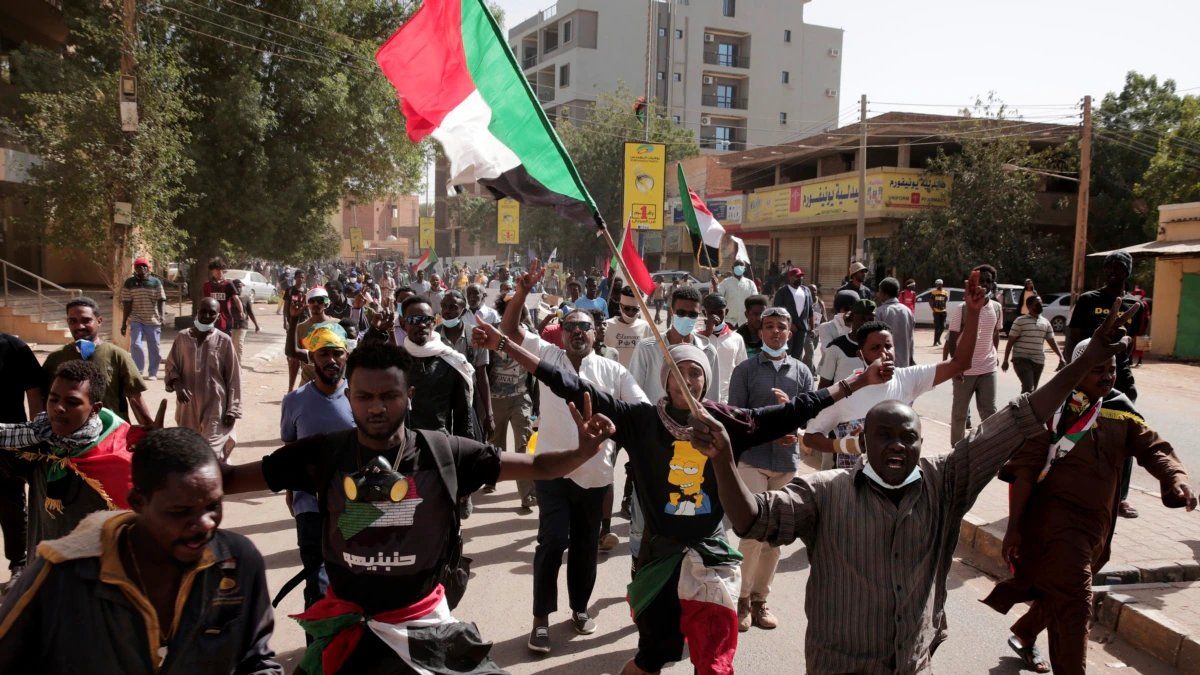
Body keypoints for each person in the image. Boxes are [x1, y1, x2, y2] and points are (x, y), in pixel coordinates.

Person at [703, 283, 1136, 674]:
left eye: (906, 437)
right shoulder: (826, 493)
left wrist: (1089, 360)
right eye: (883, 437)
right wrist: (723, 457)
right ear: (863, 443)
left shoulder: (944, 482)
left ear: (921, 440)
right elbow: (753, 519)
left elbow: (1021, 416)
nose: (895, 446)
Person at [473, 311, 887, 675]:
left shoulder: (728, 423)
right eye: (679, 372)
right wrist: (506, 344)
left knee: (714, 658)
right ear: (665, 378)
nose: (686, 380)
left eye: (695, 373)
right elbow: (565, 382)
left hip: (711, 560)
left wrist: (857, 382)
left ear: (705, 381)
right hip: (657, 560)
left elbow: (797, 409)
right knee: (653, 655)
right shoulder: (639, 420)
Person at [219, 342, 615, 674]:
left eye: (388, 395)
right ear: (350, 397)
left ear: (409, 397)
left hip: (425, 628)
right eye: (364, 397)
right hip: (347, 630)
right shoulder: (323, 454)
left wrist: (582, 451)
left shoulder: (445, 452)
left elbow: (540, 466)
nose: (376, 407)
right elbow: (231, 480)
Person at [984, 331, 1195, 675]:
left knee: (1065, 589)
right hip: (1054, 530)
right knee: (1075, 607)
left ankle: (1025, 631)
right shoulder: (1051, 409)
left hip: (1097, 532)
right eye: (1098, 369)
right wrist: (1014, 529)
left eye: (1111, 368)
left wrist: (1176, 479)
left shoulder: (1120, 409)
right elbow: (1024, 473)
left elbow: (1153, 448)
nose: (1108, 376)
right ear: (1076, 369)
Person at [0, 427, 281, 674]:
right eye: (180, 511)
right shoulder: (65, 573)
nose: (204, 524)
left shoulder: (238, 561)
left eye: (213, 506)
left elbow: (257, 660)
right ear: (137, 501)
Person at [495, 269, 648, 654]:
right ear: (560, 333)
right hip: (552, 471)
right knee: (551, 543)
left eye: (585, 327)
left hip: (595, 476)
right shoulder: (547, 356)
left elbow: (640, 410)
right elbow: (509, 332)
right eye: (571, 327)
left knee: (584, 547)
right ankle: (541, 620)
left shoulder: (613, 371)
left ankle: (579, 609)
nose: (578, 332)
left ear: (597, 334)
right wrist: (522, 292)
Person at [806, 274, 989, 474]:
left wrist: (973, 313)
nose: (884, 353)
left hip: (899, 484)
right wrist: (846, 445)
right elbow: (810, 437)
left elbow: (960, 363)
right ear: (861, 355)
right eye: (875, 348)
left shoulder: (907, 378)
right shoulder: (845, 390)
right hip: (854, 489)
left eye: (888, 346)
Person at [0, 361, 154, 550]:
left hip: (93, 572)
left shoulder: (119, 457)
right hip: (43, 566)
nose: (59, 408)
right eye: (53, 399)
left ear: (95, 409)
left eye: (72, 402)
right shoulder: (37, 442)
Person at [726, 305, 814, 632]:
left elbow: (808, 416)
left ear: (790, 332)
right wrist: (769, 425)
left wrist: (795, 428)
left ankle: (762, 600)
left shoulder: (802, 373)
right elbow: (735, 416)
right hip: (753, 460)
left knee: (775, 537)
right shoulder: (746, 370)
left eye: (782, 326)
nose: (776, 332)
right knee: (751, 534)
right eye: (769, 326)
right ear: (760, 332)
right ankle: (741, 600)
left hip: (786, 465)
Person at [280, 325, 355, 609]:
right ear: (312, 357)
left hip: (355, 507)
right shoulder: (294, 401)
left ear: (346, 356)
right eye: (324, 353)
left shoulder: (359, 397)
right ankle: (320, 648)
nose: (331, 360)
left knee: (352, 578)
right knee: (318, 584)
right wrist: (290, 488)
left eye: (337, 353)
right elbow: (290, 448)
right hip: (309, 505)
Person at [1066, 251, 1144, 518]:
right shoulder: (1089, 300)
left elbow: (1133, 340)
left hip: (1121, 379)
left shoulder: (1137, 305)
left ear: (1127, 272)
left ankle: (1120, 497)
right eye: (1108, 267)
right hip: (1086, 377)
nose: (1113, 272)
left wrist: (1125, 347)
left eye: (1119, 268)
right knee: (1079, 430)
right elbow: (1072, 340)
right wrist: (1071, 376)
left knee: (1126, 434)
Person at [42, 297, 154, 426]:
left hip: (109, 434)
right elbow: (45, 399)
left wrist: (151, 430)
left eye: (86, 320)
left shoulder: (117, 355)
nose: (79, 326)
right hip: (68, 435)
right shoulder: (55, 358)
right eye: (73, 321)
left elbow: (135, 398)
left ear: (99, 321)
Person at [164, 298, 241, 459]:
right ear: (197, 312)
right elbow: (171, 366)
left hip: (215, 406)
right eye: (203, 311)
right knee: (188, 451)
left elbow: (234, 377)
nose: (206, 315)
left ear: (218, 316)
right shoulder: (182, 338)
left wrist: (232, 410)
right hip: (187, 407)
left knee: (212, 454)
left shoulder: (224, 341)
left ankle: (217, 482)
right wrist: (177, 384)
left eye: (212, 313)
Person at [399, 296, 478, 442]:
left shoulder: (451, 362)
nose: (421, 325)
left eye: (426, 320)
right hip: (402, 446)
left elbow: (464, 417)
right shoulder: (395, 361)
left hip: (439, 445)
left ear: (434, 323)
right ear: (403, 324)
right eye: (414, 320)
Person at [484, 291, 536, 508]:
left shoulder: (530, 333)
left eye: (519, 305)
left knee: (524, 443)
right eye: (510, 306)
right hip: (496, 398)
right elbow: (484, 368)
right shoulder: (491, 331)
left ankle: (527, 494)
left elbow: (538, 369)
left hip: (520, 397)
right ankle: (491, 478)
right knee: (496, 444)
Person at [0, 333, 44, 588]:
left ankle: (19, 564)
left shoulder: (14, 347)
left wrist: (36, 435)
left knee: (12, 504)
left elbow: (34, 393)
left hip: (12, 441)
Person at [946, 265, 1003, 445]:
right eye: (981, 281)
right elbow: (952, 339)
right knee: (959, 414)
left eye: (988, 281)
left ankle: (987, 448)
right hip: (964, 371)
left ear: (992, 284)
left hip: (988, 368)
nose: (984, 285)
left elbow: (995, 334)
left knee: (989, 412)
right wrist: (956, 366)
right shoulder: (962, 308)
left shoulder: (997, 308)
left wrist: (996, 353)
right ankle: (957, 452)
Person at [1002, 295, 1065, 393]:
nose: (1040, 305)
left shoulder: (1045, 322)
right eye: (1037, 303)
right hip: (1021, 359)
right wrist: (1005, 360)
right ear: (1029, 306)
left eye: (1041, 302)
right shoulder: (1020, 321)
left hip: (1039, 361)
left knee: (1033, 391)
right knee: (1028, 388)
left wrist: (1061, 357)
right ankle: (1021, 407)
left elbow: (1051, 340)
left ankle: (1022, 407)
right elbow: (1010, 342)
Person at [120, 257, 167, 380]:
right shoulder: (129, 283)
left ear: (148, 268)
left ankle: (153, 372)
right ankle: (138, 371)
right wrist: (124, 323)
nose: (141, 268)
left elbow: (161, 300)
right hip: (136, 318)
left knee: (154, 347)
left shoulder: (156, 282)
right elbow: (127, 304)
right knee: (136, 344)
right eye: (138, 266)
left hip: (153, 319)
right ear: (135, 268)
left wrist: (162, 316)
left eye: (143, 266)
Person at [817, 299, 876, 388]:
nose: (866, 323)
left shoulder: (880, 346)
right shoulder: (836, 347)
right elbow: (824, 385)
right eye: (862, 318)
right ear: (852, 317)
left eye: (871, 319)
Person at [700, 293, 748, 403]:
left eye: (720, 312)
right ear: (704, 313)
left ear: (726, 312)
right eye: (712, 313)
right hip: (702, 397)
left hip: (727, 398)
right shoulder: (696, 337)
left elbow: (742, 368)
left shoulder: (736, 338)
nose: (715, 316)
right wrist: (707, 333)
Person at [771, 267, 813, 361]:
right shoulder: (782, 292)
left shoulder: (806, 291)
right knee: (786, 353)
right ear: (790, 278)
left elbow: (810, 310)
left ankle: (795, 374)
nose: (800, 278)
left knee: (798, 356)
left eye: (801, 276)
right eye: (797, 276)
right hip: (786, 329)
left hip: (802, 329)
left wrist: (812, 327)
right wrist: (789, 324)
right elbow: (778, 311)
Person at [603, 287, 652, 367]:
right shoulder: (607, 326)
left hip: (637, 377)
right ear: (620, 306)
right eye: (627, 308)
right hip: (614, 376)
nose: (630, 312)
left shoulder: (646, 327)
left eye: (635, 309)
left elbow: (650, 354)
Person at [874, 277, 916, 367]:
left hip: (886, 365)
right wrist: (911, 357)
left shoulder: (881, 311)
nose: (878, 294)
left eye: (879, 291)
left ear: (884, 294)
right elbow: (911, 338)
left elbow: (876, 339)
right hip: (905, 363)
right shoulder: (907, 311)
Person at [200, 257, 244, 335]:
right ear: (212, 271)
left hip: (226, 319)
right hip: (212, 320)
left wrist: (241, 311)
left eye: (220, 270)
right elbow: (205, 302)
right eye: (216, 270)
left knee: (226, 343)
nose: (219, 272)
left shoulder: (228, 284)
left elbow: (236, 299)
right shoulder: (207, 285)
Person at [283, 270, 309, 392]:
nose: (300, 279)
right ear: (295, 278)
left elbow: (308, 308)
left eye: (302, 277)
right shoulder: (290, 291)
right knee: (291, 352)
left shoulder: (306, 291)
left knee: (303, 350)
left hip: (303, 324)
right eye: (298, 277)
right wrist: (285, 321)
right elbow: (286, 307)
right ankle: (290, 387)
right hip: (293, 323)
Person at [715, 262, 758, 327]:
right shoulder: (726, 282)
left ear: (744, 269)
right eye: (737, 265)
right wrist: (714, 285)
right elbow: (717, 297)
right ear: (732, 268)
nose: (739, 267)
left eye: (741, 266)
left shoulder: (750, 284)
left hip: (745, 322)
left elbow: (755, 300)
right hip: (729, 321)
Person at [229, 278, 261, 363]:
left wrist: (256, 325)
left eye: (240, 287)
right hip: (231, 325)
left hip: (242, 325)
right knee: (231, 346)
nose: (239, 289)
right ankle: (231, 366)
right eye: (237, 287)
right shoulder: (229, 298)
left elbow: (250, 312)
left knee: (239, 345)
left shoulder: (245, 298)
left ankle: (238, 366)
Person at [930, 279, 949, 346]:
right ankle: (935, 342)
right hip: (936, 312)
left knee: (943, 327)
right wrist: (933, 309)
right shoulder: (933, 292)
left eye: (939, 284)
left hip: (943, 312)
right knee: (937, 327)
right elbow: (931, 301)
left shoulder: (945, 292)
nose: (937, 285)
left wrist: (944, 309)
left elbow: (945, 301)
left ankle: (938, 339)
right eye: (936, 284)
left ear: (941, 284)